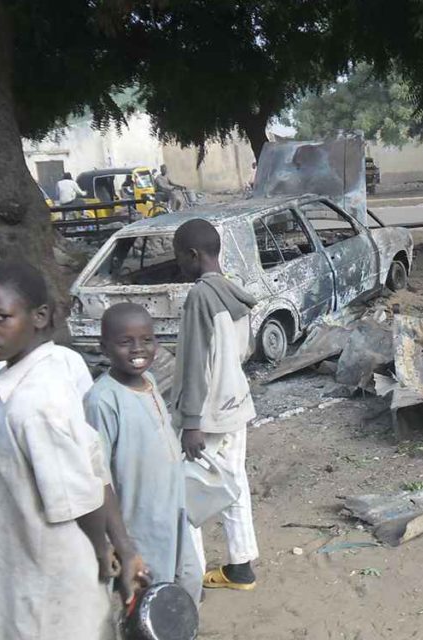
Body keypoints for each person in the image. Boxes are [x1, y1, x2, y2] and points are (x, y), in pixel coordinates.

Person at [0, 259, 149, 638]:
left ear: (39, 316)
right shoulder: (48, 369)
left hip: (48, 577)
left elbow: (82, 495)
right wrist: (123, 546)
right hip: (30, 561)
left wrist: (105, 550)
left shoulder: (34, 404)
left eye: (0, 317)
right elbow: (93, 466)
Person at [84, 303, 204, 602]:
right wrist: (117, 542)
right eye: (125, 342)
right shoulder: (102, 400)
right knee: (150, 598)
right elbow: (97, 476)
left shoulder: (149, 382)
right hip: (139, 524)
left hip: (173, 512)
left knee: (190, 579)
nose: (138, 349)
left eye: (147, 340)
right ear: (104, 347)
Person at [170, 219, 260, 591]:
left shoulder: (199, 297)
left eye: (178, 256)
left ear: (193, 255)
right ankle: (241, 567)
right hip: (235, 403)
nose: (177, 264)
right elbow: (244, 350)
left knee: (185, 491)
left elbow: (194, 363)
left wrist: (191, 422)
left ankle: (191, 576)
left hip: (206, 416)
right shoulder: (233, 291)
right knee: (234, 485)